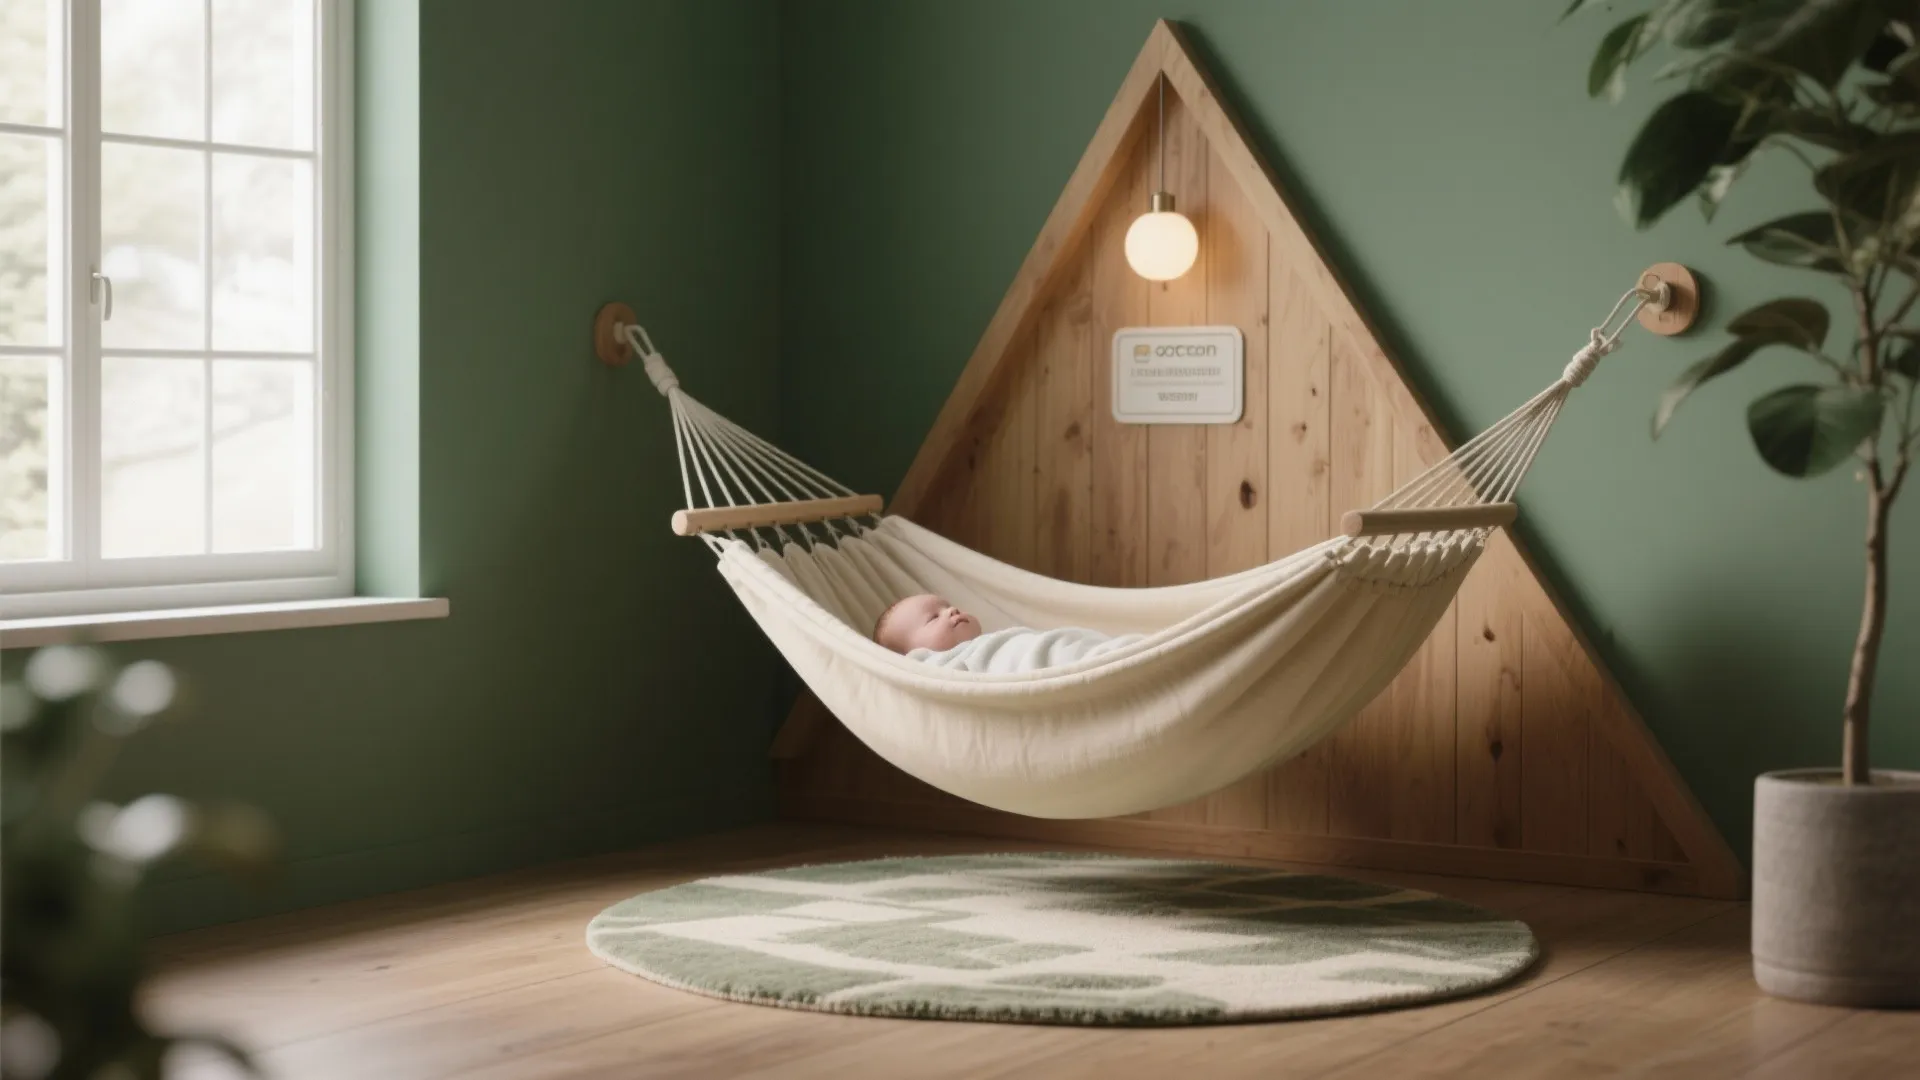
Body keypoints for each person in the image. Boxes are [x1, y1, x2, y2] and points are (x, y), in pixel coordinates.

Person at [872, 594, 1142, 673]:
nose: (950, 610)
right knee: (1117, 658)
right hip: (1058, 665)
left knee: (1118, 651)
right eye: (933, 617)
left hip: (1070, 648)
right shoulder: (932, 667)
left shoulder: (983, 645)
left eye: (947, 605)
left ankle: (1148, 652)